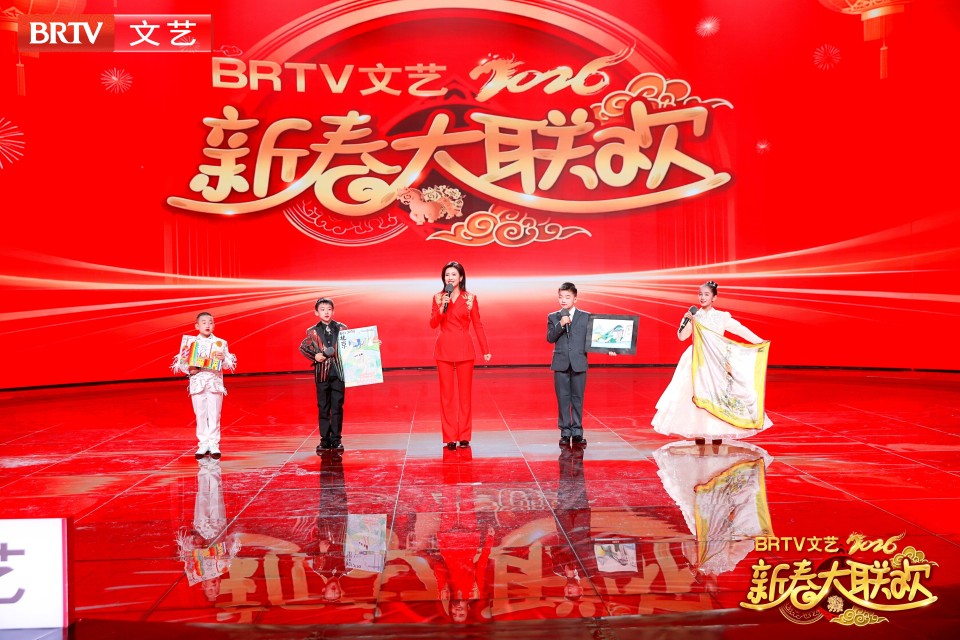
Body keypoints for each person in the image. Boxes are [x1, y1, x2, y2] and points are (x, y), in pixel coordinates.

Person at [652, 281, 772, 444]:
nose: (702, 297)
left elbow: (740, 329)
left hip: (716, 360)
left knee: (717, 395)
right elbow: (682, 337)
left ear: (714, 297)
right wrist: (686, 321)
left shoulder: (722, 317)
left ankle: (717, 432)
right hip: (697, 360)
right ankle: (699, 433)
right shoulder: (694, 316)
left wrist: (758, 341)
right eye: (700, 294)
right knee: (695, 394)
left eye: (706, 294)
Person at [430, 261, 491, 449]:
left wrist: (485, 349)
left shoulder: (470, 298)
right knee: (446, 396)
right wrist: (442, 308)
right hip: (444, 350)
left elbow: (477, 324)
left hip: (465, 349)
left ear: (461, 277)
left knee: (465, 395)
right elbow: (433, 324)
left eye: (453, 274)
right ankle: (449, 436)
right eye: (447, 275)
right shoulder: (439, 298)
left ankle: (464, 435)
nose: (450, 278)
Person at [172, 312, 237, 458]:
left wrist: (223, 359)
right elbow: (182, 364)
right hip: (198, 383)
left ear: (214, 325)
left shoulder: (221, 343)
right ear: (197, 326)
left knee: (214, 414)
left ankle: (214, 444)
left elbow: (228, 365)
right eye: (204, 322)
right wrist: (190, 369)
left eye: (210, 322)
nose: (207, 325)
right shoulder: (190, 343)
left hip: (214, 382)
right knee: (200, 414)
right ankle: (203, 443)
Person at [300, 298, 348, 453]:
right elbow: (303, 347)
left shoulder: (342, 328)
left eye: (329, 309)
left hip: (339, 373)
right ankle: (325, 439)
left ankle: (337, 439)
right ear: (316, 312)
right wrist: (315, 356)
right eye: (322, 309)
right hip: (322, 374)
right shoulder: (312, 331)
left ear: (333, 311)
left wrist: (371, 342)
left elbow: (353, 345)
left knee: (337, 407)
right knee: (323, 407)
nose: (326, 312)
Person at [547, 282, 590, 447]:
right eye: (561, 297)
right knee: (563, 399)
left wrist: (609, 349)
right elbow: (550, 338)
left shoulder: (585, 316)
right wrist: (561, 323)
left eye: (567, 297)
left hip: (579, 362)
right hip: (561, 363)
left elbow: (594, 338)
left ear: (575, 299)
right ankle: (565, 432)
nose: (563, 300)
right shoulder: (553, 317)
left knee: (578, 399)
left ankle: (577, 431)